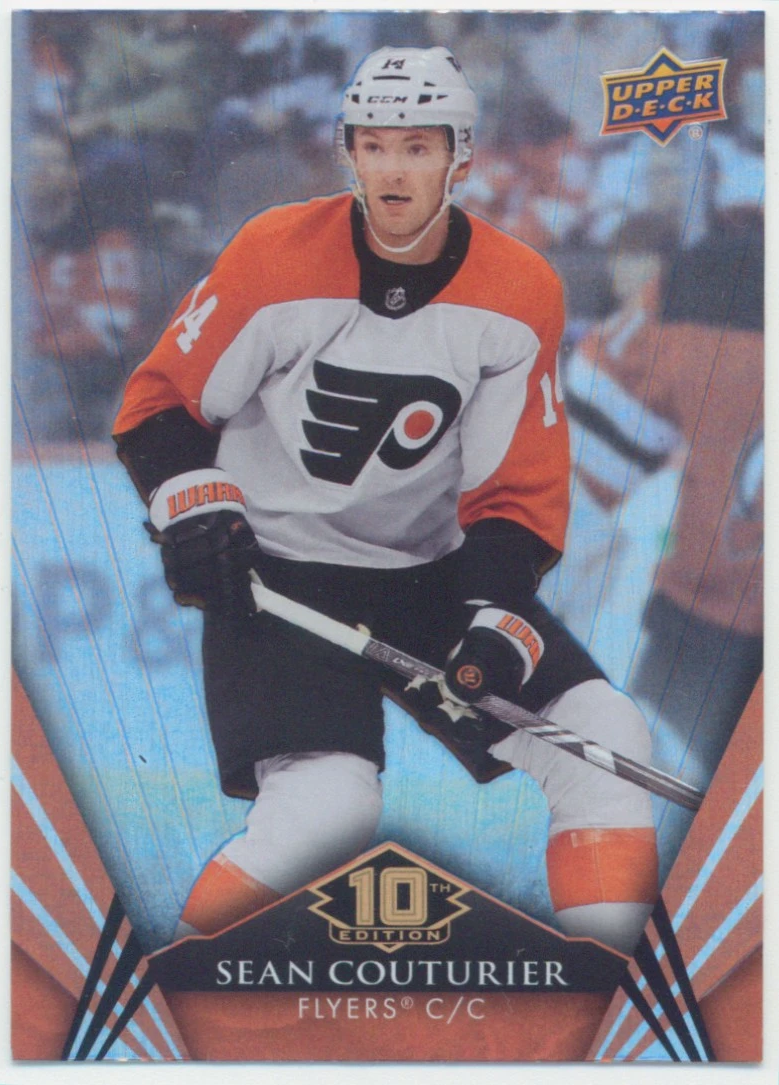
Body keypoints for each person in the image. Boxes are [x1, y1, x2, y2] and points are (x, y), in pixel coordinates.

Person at [113, 46, 658, 955]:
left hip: (427, 576)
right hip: (277, 579)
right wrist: (196, 508)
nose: (392, 170)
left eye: (416, 146)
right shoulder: (273, 254)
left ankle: (604, 987)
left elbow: (513, 492)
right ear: (348, 152)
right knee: (326, 809)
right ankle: (173, 987)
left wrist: (496, 623)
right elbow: (160, 405)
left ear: (459, 157)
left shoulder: (519, 289)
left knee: (605, 735)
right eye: (372, 145)